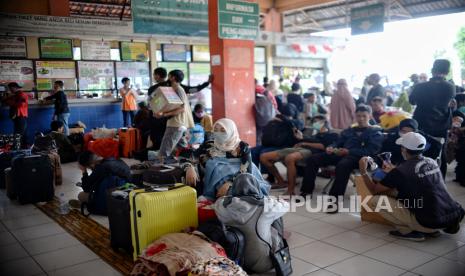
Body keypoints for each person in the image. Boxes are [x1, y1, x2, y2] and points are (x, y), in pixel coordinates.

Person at [359, 132, 464, 241]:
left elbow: (374, 191)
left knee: (375, 200)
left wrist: (363, 171)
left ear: (404, 150)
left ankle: (410, 231)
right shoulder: (431, 161)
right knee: (402, 193)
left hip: (430, 222)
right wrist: (394, 171)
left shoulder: (400, 171)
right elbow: (415, 175)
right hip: (450, 216)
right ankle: (431, 230)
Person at [301, 105, 384, 207]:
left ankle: (335, 200)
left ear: (370, 117)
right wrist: (331, 147)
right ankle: (306, 192)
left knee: (343, 165)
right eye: (358, 116)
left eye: (364, 116)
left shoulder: (375, 133)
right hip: (342, 154)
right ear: (355, 116)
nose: (361, 119)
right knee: (313, 159)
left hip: (360, 158)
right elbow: (338, 142)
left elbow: (371, 151)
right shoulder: (350, 130)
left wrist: (349, 151)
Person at [182, 118, 270, 200]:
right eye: (215, 130)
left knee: (245, 193)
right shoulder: (209, 145)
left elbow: (246, 170)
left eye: (223, 130)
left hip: (240, 180)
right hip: (216, 183)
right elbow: (190, 157)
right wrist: (189, 167)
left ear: (231, 131)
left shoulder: (242, 147)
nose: (218, 133)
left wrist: (230, 183)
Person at [260, 115, 338, 196]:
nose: (315, 123)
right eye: (314, 122)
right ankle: (281, 182)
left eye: (317, 121)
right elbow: (304, 138)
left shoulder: (331, 134)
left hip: (312, 151)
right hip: (299, 147)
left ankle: (290, 191)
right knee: (264, 157)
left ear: (324, 123)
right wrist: (301, 138)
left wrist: (304, 142)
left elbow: (323, 146)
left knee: (289, 158)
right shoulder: (315, 134)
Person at [409, 59, 456, 177]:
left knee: (420, 152)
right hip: (442, 125)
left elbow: (412, 101)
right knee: (441, 153)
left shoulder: (420, 86)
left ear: (432, 70)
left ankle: (421, 179)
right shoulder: (450, 87)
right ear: (446, 71)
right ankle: (440, 183)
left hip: (422, 124)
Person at [156, 70, 194, 158]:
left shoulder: (178, 89)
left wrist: (163, 115)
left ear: (173, 77)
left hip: (176, 124)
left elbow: (181, 108)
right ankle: (186, 166)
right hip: (177, 123)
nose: (167, 78)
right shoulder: (173, 89)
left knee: (164, 152)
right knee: (182, 149)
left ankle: (161, 170)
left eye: (169, 76)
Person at [3, 82, 28, 146]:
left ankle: (17, 149)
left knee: (18, 134)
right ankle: (24, 149)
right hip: (18, 117)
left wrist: (9, 102)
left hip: (21, 116)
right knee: (21, 134)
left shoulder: (21, 95)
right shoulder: (15, 95)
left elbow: (19, 105)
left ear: (14, 87)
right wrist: (8, 99)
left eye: (10, 88)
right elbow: (4, 100)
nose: (10, 90)